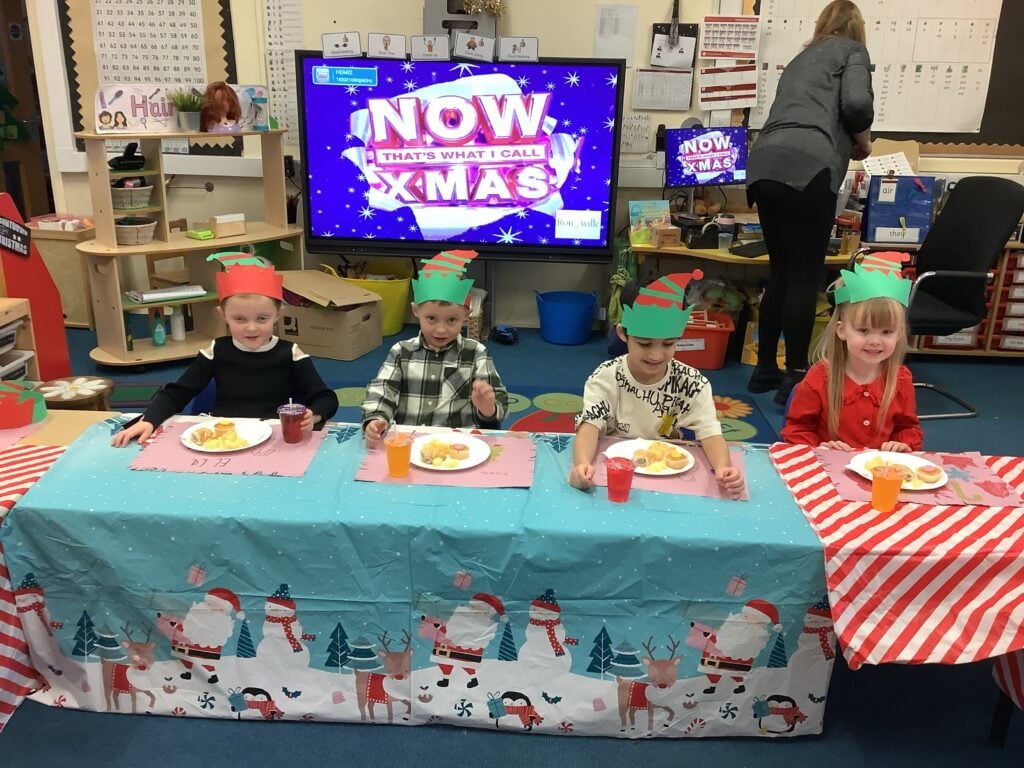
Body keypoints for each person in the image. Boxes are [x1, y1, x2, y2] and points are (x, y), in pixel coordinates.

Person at [745, 0, 874, 406]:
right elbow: (856, 105)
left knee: (780, 268)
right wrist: (864, 140)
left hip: (765, 164)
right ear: (857, 28)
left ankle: (765, 369)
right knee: (805, 273)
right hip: (809, 166)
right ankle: (796, 376)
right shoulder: (853, 51)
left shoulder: (802, 58)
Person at [112, 257, 337, 446]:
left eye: (262, 318)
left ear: (278, 315)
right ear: (223, 315)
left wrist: (314, 414)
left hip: (274, 438)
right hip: (225, 437)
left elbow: (325, 397)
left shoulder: (291, 353)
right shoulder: (216, 350)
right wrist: (149, 420)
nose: (251, 327)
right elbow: (176, 393)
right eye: (239, 319)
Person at [569, 271, 745, 499]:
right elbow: (589, 426)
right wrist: (581, 464)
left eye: (668, 343)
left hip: (670, 476)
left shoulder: (692, 382)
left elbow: (710, 432)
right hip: (616, 472)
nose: (656, 355)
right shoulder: (605, 377)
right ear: (623, 334)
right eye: (644, 344)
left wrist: (723, 467)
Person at [361, 250, 508, 447]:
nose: (441, 329)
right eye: (431, 319)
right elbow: (382, 390)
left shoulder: (476, 353)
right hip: (408, 443)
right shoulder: (401, 351)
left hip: (460, 445)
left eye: (452, 320)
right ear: (416, 311)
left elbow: (499, 401)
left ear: (466, 314)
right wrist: (376, 419)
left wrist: (488, 407)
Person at [781, 253, 922, 451]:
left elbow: (907, 427)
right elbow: (797, 429)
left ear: (898, 334)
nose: (875, 341)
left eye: (887, 332)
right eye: (863, 330)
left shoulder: (900, 379)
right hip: (828, 471)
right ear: (842, 330)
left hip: (879, 472)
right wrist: (819, 448)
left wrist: (902, 444)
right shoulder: (821, 378)